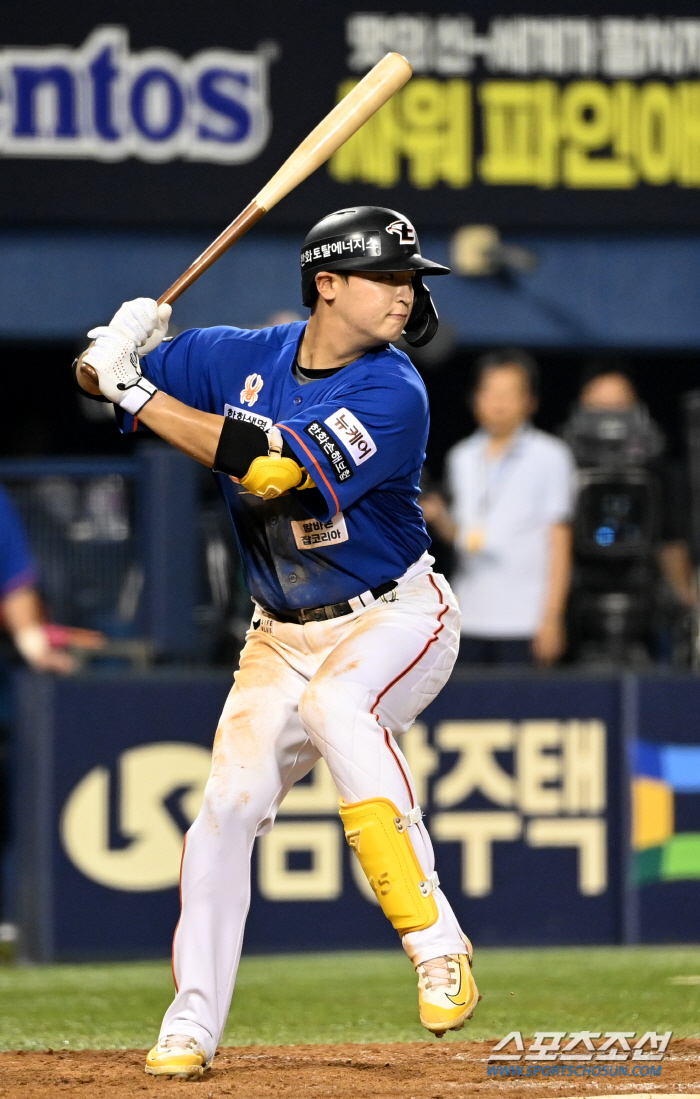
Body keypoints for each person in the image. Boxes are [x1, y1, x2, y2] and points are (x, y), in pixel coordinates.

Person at [76, 206, 480, 1079]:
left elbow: (273, 471)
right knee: (225, 807)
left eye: (412, 281)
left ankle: (435, 939)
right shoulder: (233, 355)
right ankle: (190, 1023)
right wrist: (121, 337)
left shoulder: (393, 387)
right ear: (327, 283)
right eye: (389, 278)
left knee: (341, 705)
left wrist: (137, 390)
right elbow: (97, 379)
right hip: (278, 632)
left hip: (396, 614)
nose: (406, 296)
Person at [424, 349, 576, 665]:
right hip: (467, 616)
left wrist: (552, 618)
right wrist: (439, 519)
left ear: (530, 401)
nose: (498, 403)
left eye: (509, 393)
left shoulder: (551, 456)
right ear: (474, 399)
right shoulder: (461, 456)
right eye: (490, 392)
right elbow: (463, 538)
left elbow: (560, 542)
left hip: (525, 620)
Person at [575, 367, 696, 611]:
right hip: (579, 588)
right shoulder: (560, 463)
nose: (609, 422)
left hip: (642, 589)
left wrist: (687, 599)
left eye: (619, 406)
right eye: (599, 407)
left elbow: (671, 539)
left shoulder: (658, 470)